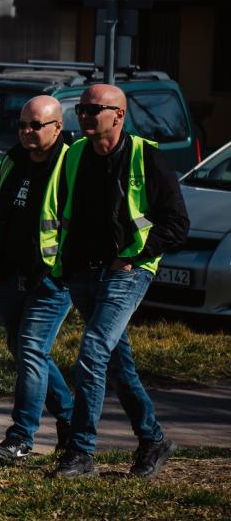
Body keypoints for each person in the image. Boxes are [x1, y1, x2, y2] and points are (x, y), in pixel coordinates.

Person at [52, 84, 189, 479]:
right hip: (83, 273)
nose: (85, 116)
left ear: (119, 115)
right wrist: (65, 266)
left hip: (127, 271)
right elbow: (63, 213)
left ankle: (80, 453)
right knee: (116, 362)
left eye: (95, 109)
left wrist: (131, 256)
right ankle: (153, 439)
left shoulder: (148, 157)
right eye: (81, 109)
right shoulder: (75, 153)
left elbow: (177, 225)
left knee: (93, 351)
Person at [0, 96, 74, 465]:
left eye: (36, 125)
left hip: (52, 278)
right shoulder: (12, 159)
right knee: (23, 349)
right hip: (9, 274)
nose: (27, 132)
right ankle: (71, 418)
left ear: (57, 127)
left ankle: (21, 437)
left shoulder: (71, 164)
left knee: (32, 349)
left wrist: (62, 268)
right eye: (22, 125)